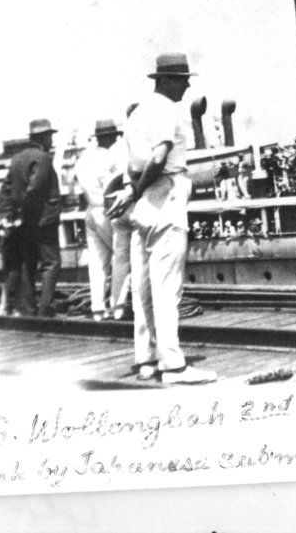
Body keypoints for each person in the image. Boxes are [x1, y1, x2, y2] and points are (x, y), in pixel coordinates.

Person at [106, 53, 216, 384]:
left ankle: (146, 360)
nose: (186, 85)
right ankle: (174, 366)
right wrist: (138, 191)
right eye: (182, 79)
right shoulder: (166, 111)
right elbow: (159, 156)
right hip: (165, 196)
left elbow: (133, 163)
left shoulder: (137, 114)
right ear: (165, 80)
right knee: (167, 287)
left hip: (143, 208)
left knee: (142, 288)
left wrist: (132, 191)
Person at [0, 118, 63, 317]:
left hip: (24, 222)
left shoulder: (17, 158)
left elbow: (5, 189)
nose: (51, 140)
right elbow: (35, 189)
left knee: (28, 263)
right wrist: (27, 211)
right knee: (51, 262)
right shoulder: (42, 157)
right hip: (43, 220)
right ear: (41, 137)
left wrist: (11, 214)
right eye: (49, 135)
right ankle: (45, 308)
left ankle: (29, 307)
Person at [73, 119, 132, 321]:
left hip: (90, 211)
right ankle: (118, 306)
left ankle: (97, 308)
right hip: (109, 210)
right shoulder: (114, 156)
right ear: (112, 136)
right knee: (121, 257)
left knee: (97, 262)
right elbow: (117, 184)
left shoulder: (83, 158)